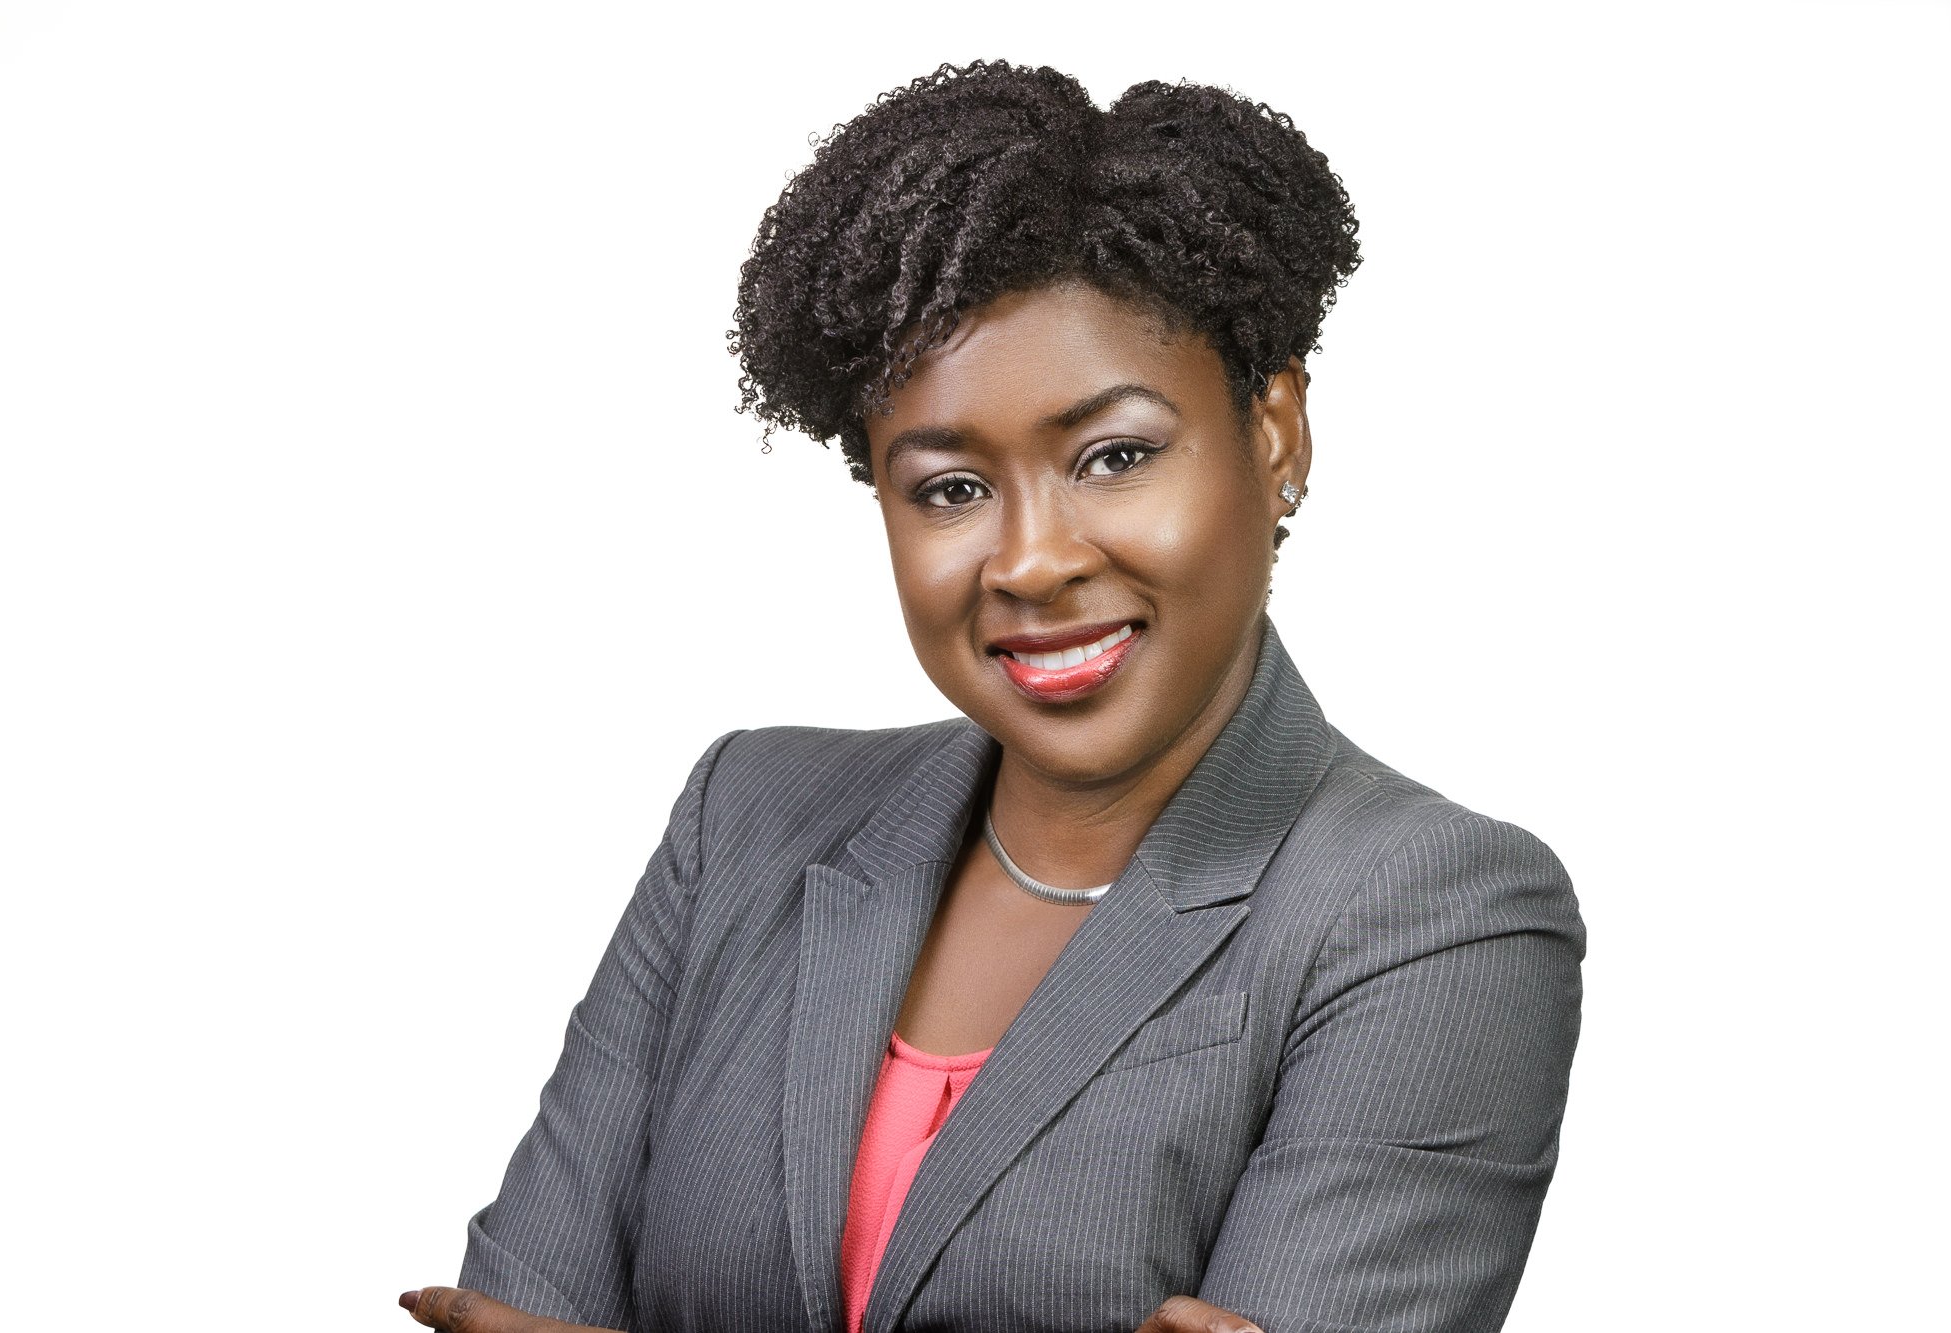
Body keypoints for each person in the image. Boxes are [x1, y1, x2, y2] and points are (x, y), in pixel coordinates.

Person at [398, 59, 1586, 1333]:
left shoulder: (1431, 917)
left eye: (1113, 456)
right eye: (949, 488)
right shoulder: (743, 823)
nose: (1029, 559)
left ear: (1276, 432)